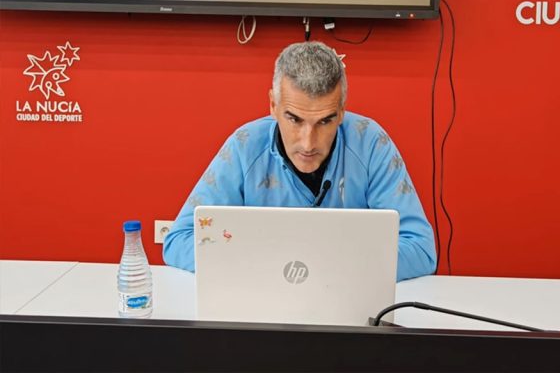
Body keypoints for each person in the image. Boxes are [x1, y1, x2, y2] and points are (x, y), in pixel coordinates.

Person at [163, 41, 437, 281]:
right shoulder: (244, 145)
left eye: (325, 121)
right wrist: (272, 265)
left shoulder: (371, 143)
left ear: (342, 111)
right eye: (294, 119)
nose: (308, 143)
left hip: (349, 313)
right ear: (272, 105)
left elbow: (421, 249)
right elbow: (179, 241)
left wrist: (316, 264)